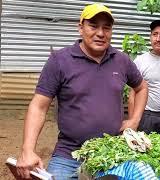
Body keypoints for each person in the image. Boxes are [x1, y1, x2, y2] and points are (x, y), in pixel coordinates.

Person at [16, 3, 148, 179]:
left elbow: (142, 87)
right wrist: (27, 150)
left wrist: (134, 120)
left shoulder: (121, 61)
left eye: (106, 28)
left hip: (112, 154)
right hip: (68, 156)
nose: (100, 33)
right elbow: (39, 107)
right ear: (80, 28)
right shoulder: (60, 61)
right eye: (93, 26)